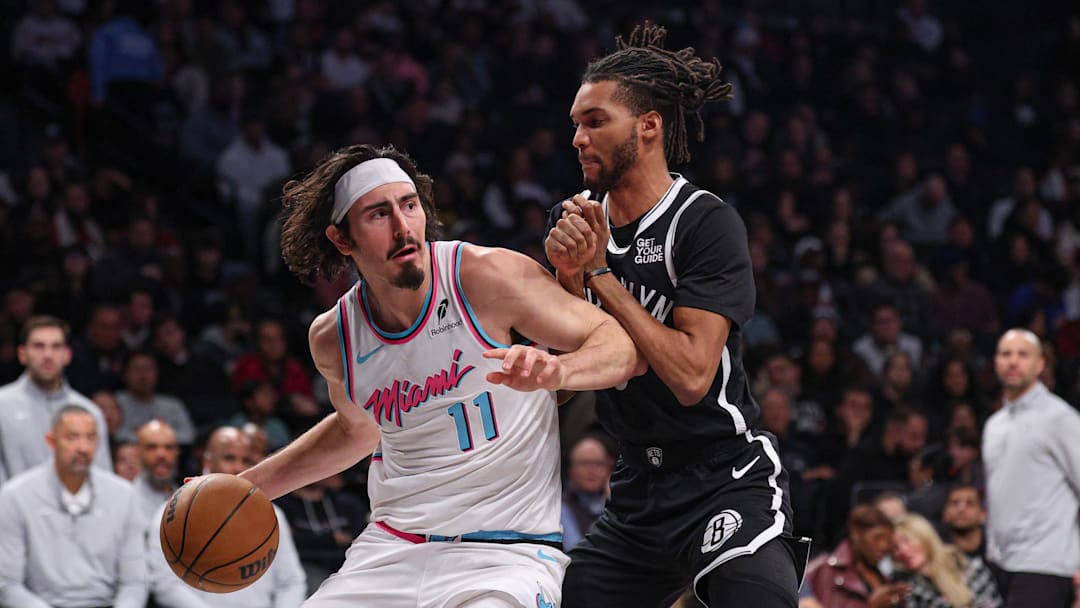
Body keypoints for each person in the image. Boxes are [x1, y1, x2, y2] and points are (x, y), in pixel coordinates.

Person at [218, 143, 640, 608]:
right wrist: (246, 488)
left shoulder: (484, 277)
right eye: (379, 214)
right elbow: (356, 431)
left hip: (505, 555)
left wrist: (559, 370)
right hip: (389, 552)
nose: (403, 227)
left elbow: (619, 345)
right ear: (342, 239)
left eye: (410, 205)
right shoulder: (334, 336)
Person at [544, 23, 802, 606]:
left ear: (649, 126)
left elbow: (690, 377)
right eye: (575, 125)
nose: (578, 139)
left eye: (594, 122)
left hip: (725, 478)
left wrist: (598, 277)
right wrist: (564, 281)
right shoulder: (574, 226)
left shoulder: (704, 222)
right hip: (637, 487)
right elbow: (562, 389)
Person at [0, 405, 147, 608]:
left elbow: (135, 582)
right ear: (51, 441)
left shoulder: (124, 495)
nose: (83, 447)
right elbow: (7, 584)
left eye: (91, 437)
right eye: (72, 437)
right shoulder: (15, 495)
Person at [148, 426, 306, 608]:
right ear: (207, 459)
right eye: (229, 458)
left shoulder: (273, 515)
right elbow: (165, 584)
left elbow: (291, 582)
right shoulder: (172, 512)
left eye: (246, 460)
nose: (238, 466)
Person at [983, 328, 1080, 607]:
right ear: (996, 362)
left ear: (1040, 365)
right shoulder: (994, 424)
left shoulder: (1059, 418)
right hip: (999, 562)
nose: (1013, 361)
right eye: (1006, 354)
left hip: (1046, 563)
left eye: (1023, 355)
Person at [0, 315, 112, 484]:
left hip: (79, 509)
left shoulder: (90, 412)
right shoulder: (2, 405)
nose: (48, 354)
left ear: (67, 355)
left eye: (56, 346)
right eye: (39, 346)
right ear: (22, 354)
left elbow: (102, 478)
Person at [804, 504, 911, 608]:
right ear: (856, 534)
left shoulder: (882, 575)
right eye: (877, 538)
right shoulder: (822, 570)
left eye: (888, 541)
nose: (884, 546)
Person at [892, 513, 1002, 608]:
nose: (902, 550)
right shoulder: (911, 589)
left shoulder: (968, 567)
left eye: (907, 541)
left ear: (924, 537)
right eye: (896, 547)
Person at [560, 434, 615, 551]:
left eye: (599, 464)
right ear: (571, 470)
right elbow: (576, 549)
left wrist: (612, 500)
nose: (592, 470)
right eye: (585, 463)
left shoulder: (617, 502)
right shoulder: (562, 507)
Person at [132, 419, 180, 521]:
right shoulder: (124, 501)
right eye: (152, 447)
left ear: (177, 452)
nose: (161, 455)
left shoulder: (188, 502)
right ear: (137, 452)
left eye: (169, 447)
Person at [941, 485, 988, 561]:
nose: (961, 509)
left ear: (983, 514)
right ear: (945, 514)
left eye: (970, 503)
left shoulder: (997, 549)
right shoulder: (937, 552)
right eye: (955, 503)